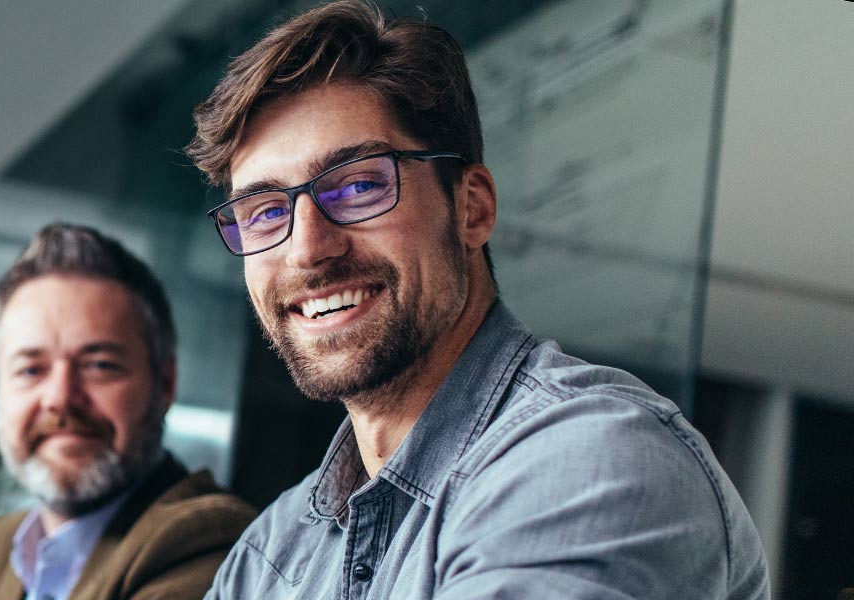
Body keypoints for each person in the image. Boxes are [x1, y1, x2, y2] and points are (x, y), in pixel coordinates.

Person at [186, 2, 769, 597]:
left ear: (472, 208)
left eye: (360, 184)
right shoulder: (270, 555)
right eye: (263, 211)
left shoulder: (590, 461)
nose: (307, 249)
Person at [0, 223, 257, 600]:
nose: (59, 398)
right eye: (30, 370)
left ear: (164, 383)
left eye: (99, 365)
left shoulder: (208, 538)